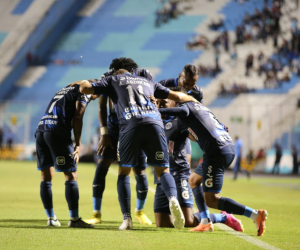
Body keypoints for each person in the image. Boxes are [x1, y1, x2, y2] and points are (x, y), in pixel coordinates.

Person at [77, 67, 199, 230]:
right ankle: (172, 198)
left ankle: (127, 219)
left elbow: (85, 89)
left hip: (130, 124)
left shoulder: (113, 80)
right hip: (155, 124)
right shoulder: (147, 81)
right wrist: (195, 103)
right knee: (163, 171)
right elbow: (177, 96)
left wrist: (83, 81)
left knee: (124, 173)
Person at [158, 92, 268, 236]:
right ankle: (205, 221)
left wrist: (155, 111)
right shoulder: (204, 110)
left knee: (211, 199)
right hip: (224, 147)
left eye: (173, 100)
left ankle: (254, 215)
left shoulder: (187, 106)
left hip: (216, 152)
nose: (173, 101)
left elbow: (181, 112)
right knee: (194, 180)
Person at [85, 58, 153, 226]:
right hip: (114, 128)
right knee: (102, 167)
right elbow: (102, 105)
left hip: (134, 126)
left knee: (140, 171)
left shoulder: (142, 76)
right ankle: (96, 213)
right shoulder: (108, 77)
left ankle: (140, 211)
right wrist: (104, 132)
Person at [35, 80, 98, 228]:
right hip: (57, 131)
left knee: (46, 176)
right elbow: (78, 117)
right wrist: (78, 143)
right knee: (71, 174)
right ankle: (74, 219)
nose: (95, 98)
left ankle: (51, 218)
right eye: (97, 95)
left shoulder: (66, 89)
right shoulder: (85, 92)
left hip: (41, 129)